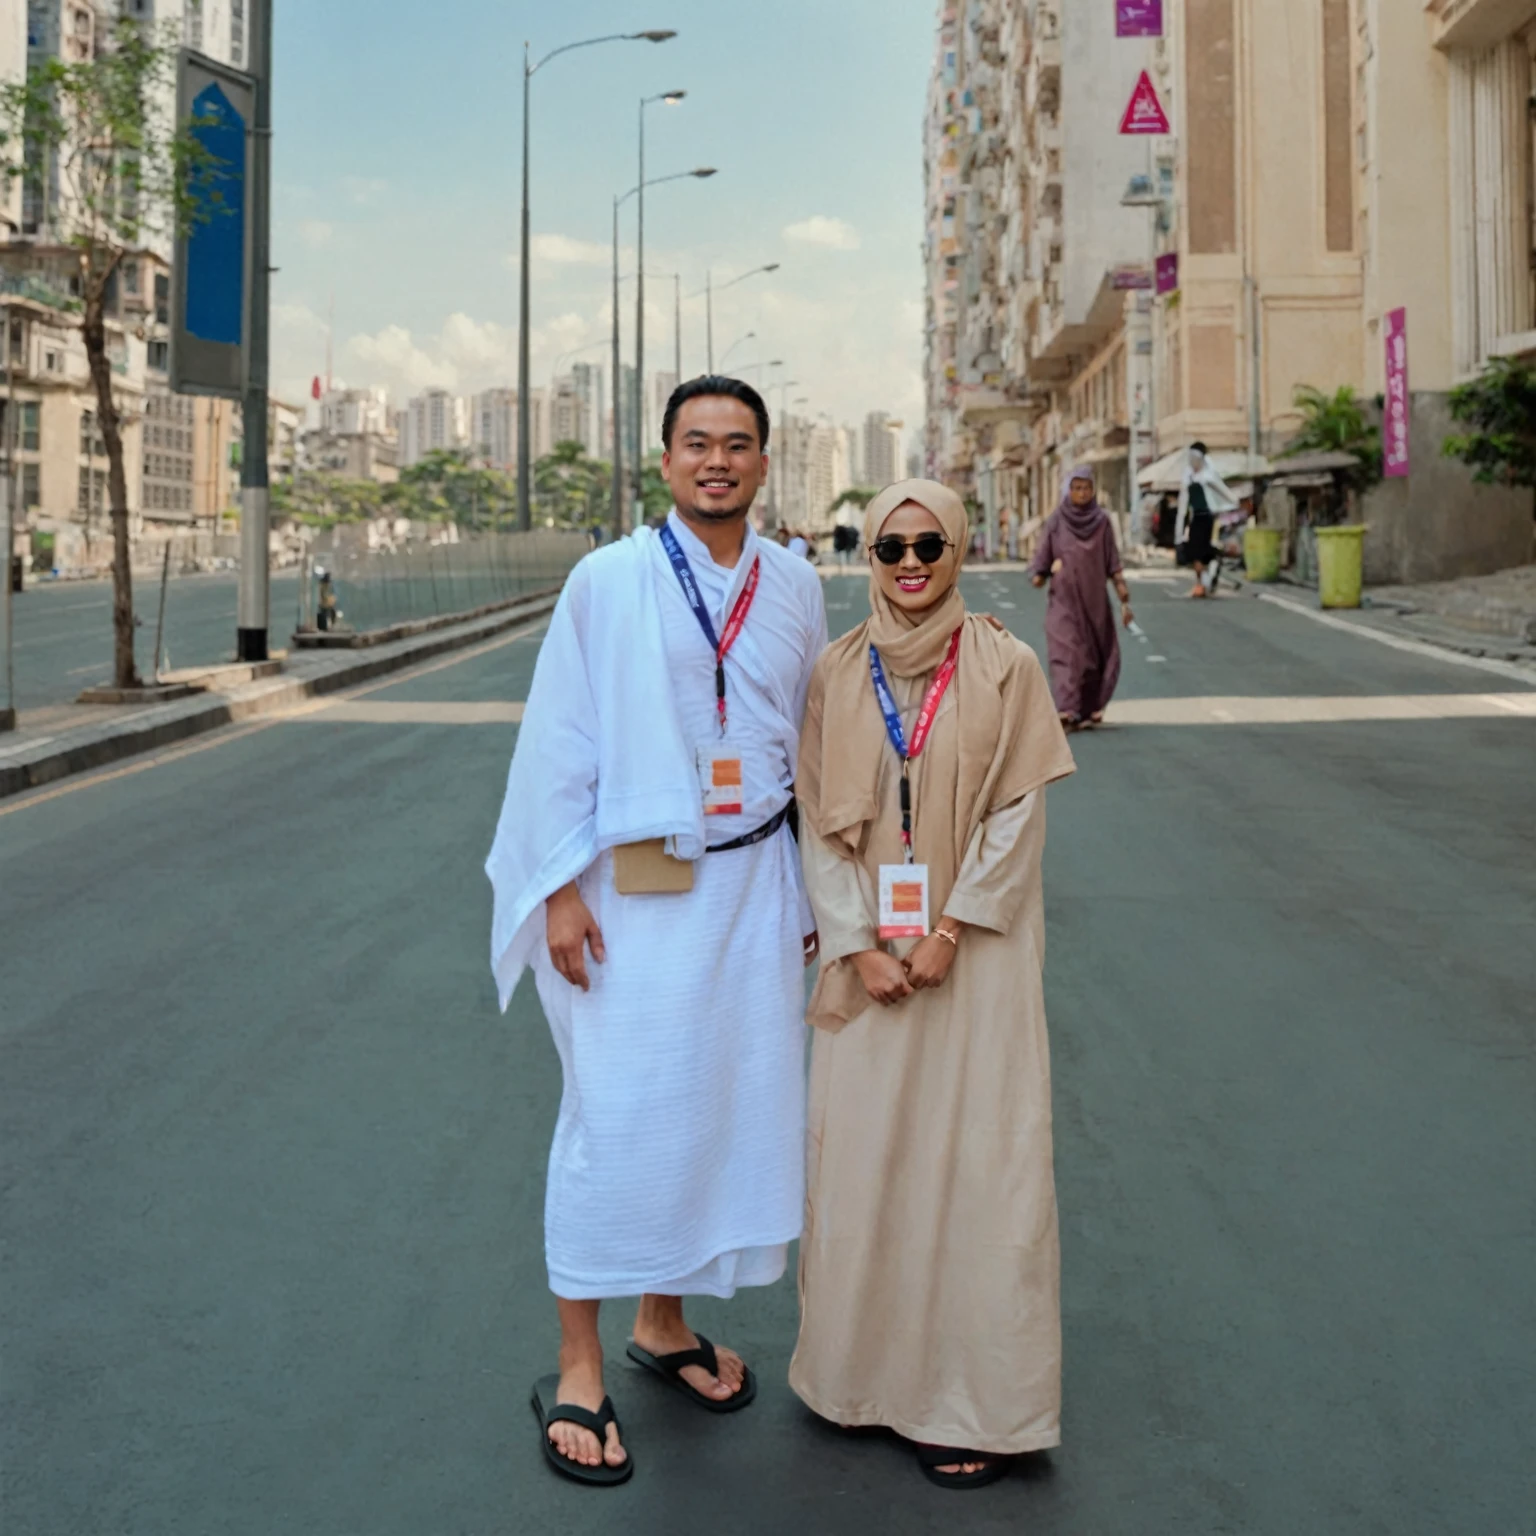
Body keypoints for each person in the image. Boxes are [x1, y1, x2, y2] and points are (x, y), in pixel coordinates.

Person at [485, 375, 827, 1487]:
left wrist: (819, 895)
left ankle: (664, 1323)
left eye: (738, 444)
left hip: (754, 889)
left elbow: (807, 748)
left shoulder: (795, 585)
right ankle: (579, 1362)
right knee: (614, 1114)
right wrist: (556, 890)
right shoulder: (609, 579)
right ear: (665, 462)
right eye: (696, 443)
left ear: (765, 464)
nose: (717, 460)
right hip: (631, 893)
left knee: (717, 1108)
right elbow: (558, 739)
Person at [790, 479, 1077, 1490]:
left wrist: (951, 928)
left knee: (977, 1170)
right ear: (868, 557)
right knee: (866, 1165)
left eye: (928, 545)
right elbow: (821, 825)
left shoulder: (1007, 666)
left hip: (977, 959)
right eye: (890, 547)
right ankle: (858, 1380)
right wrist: (858, 943)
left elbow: (1018, 817)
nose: (910, 564)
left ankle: (975, 1404)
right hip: (870, 965)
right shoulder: (835, 673)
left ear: (958, 550)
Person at [1028, 465, 1134, 731]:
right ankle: (1066, 708)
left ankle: (1085, 708)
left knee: (1091, 656)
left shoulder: (1102, 523)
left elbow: (1113, 561)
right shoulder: (1057, 521)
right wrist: (1040, 574)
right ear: (1069, 490)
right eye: (1077, 488)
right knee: (1065, 651)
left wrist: (1122, 591)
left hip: (1094, 601)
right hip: (1063, 600)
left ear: (1093, 490)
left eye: (1086, 488)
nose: (1082, 493)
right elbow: (1042, 558)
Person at [1176, 442, 1239, 597]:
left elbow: (1226, 495)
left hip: (1207, 518)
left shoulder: (1209, 476)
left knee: (1200, 552)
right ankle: (1202, 583)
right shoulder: (1188, 476)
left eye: (1195, 458)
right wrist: (1179, 529)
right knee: (1193, 552)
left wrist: (1223, 508)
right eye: (1190, 458)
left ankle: (1203, 582)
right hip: (1194, 518)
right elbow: (1183, 502)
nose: (1192, 462)